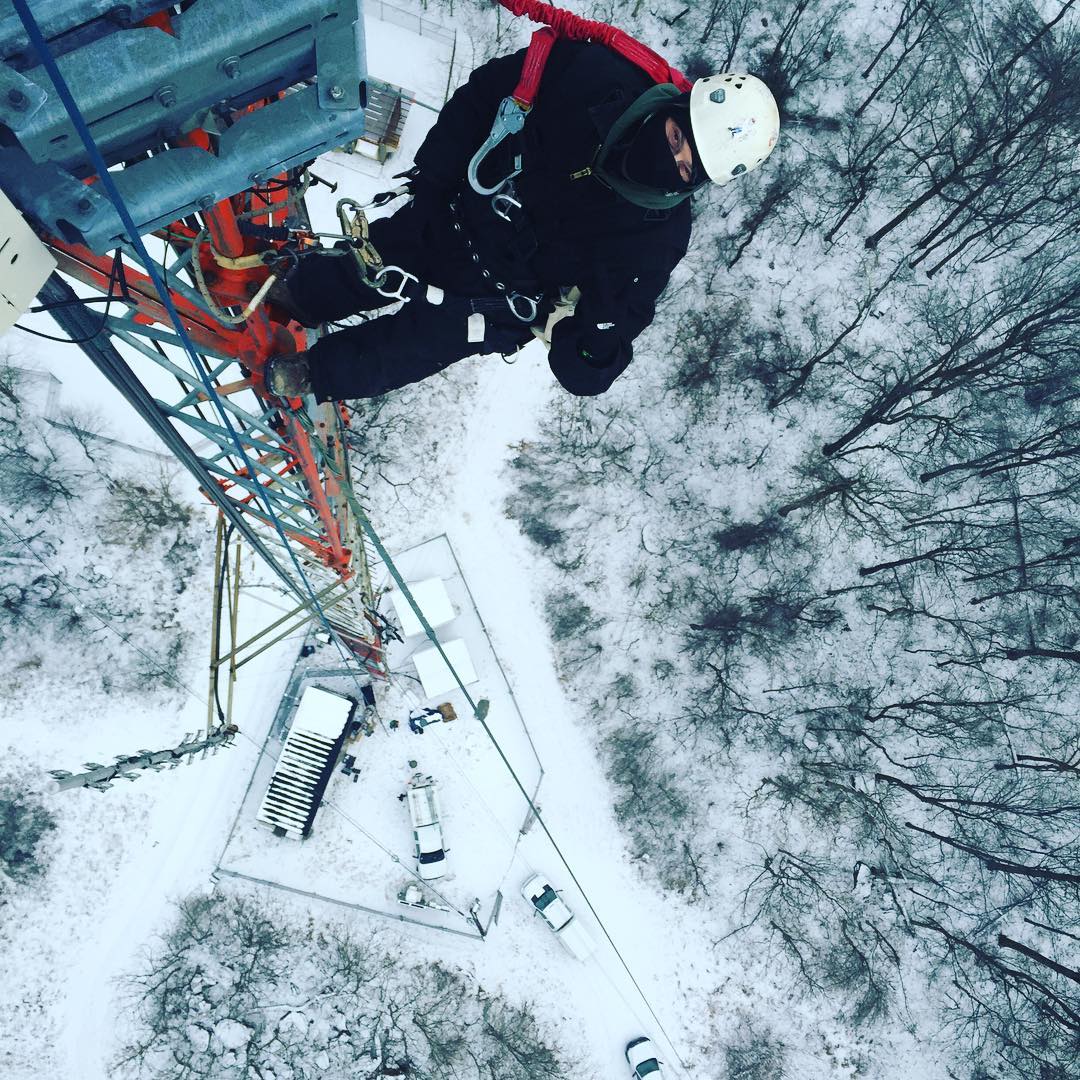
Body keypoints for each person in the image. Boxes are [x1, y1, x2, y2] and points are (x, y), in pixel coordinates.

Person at [265, 41, 779, 401]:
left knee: (404, 351)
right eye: (674, 137)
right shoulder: (595, 78)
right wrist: (438, 175)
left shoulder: (655, 235)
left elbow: (620, 315)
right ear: (679, 104)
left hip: (499, 296)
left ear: (700, 182)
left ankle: (311, 373)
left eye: (687, 167)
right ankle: (291, 296)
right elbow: (488, 91)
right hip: (454, 214)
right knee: (364, 267)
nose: (672, 159)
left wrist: (594, 351)